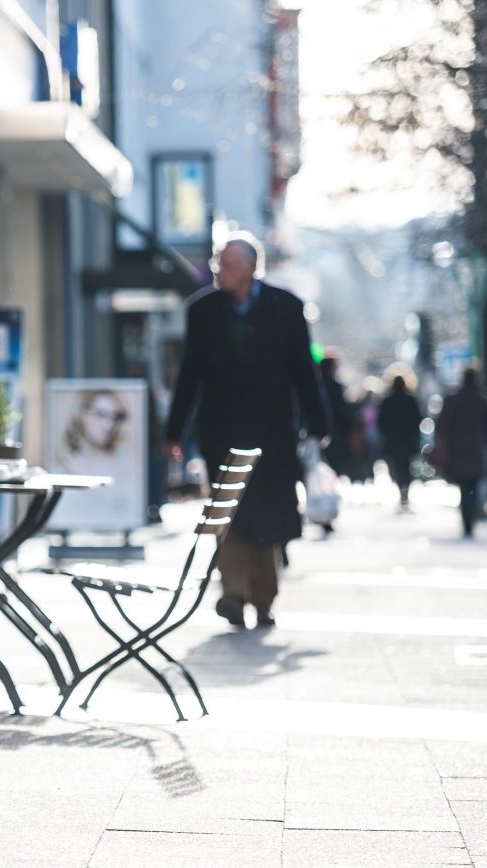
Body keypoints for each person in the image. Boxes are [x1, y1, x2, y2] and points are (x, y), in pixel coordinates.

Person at [165, 232, 328, 629]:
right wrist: (175, 431)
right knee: (229, 513)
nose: (221, 270)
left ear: (253, 267)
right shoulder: (203, 310)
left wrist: (319, 422)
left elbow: (304, 371)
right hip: (221, 429)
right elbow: (190, 374)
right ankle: (234, 593)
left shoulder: (286, 307)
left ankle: (264, 599)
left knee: (268, 514)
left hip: (272, 431)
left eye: (230, 264)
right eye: (219, 263)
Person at [435, 367, 487, 537]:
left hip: (457, 449)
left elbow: (442, 424)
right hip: (476, 448)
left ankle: (466, 516)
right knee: (473, 484)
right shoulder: (482, 399)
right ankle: (470, 517)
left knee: (463, 484)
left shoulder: (453, 399)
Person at [377, 374, 423, 508]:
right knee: (406, 466)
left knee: (397, 467)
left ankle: (402, 490)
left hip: (394, 440)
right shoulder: (410, 400)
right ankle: (405, 491)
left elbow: (381, 421)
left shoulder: (388, 401)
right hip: (407, 439)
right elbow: (418, 419)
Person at [56, 390, 129, 474]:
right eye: (101, 414)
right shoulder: (66, 460)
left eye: (115, 417)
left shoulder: (125, 459)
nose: (109, 425)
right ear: (82, 414)